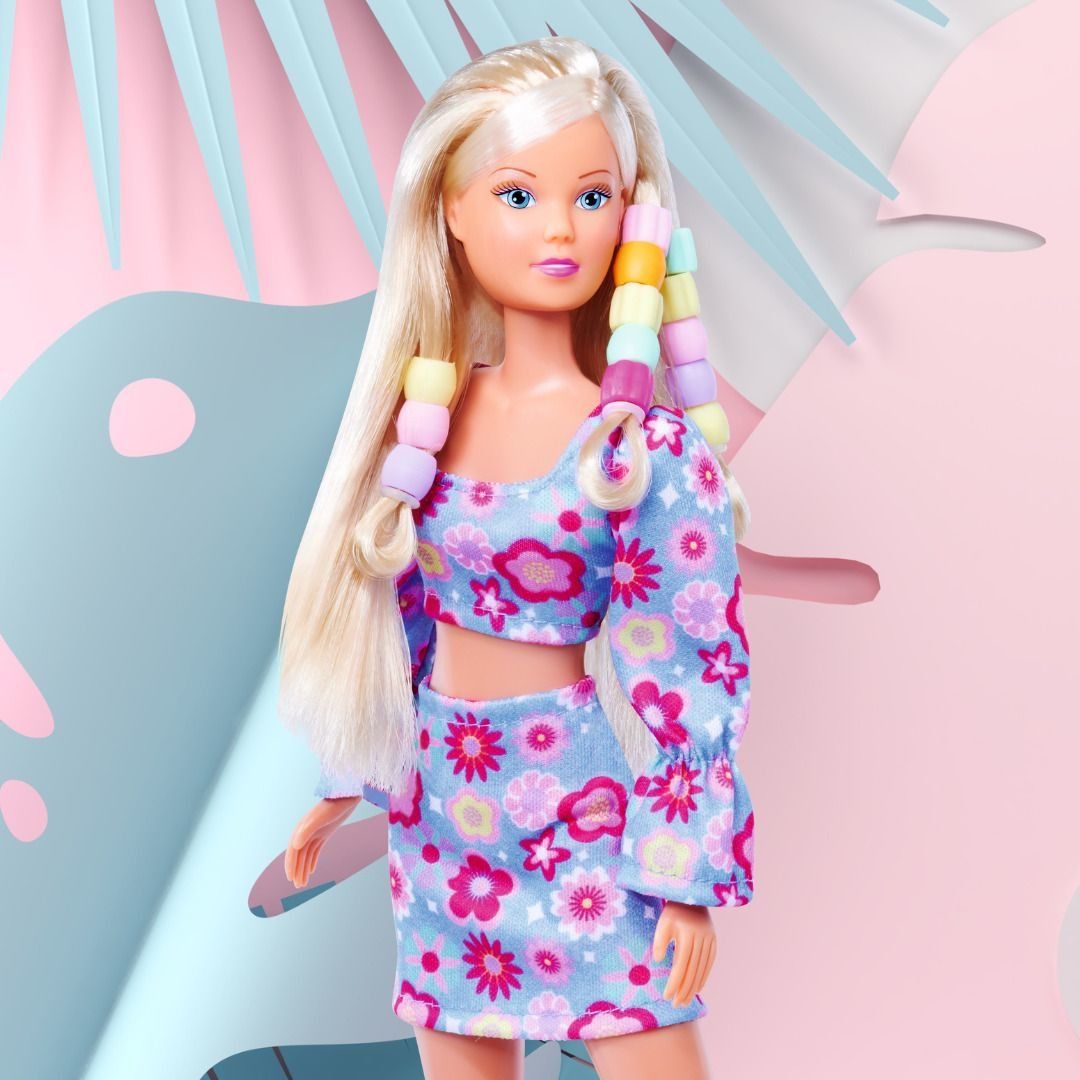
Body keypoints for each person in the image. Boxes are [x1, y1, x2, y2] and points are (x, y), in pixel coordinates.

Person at [278, 36, 753, 1080]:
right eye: (518, 195)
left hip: (581, 804)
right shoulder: (423, 423)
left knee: (649, 1043)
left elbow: (688, 664)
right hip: (441, 800)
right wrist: (348, 776)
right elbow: (396, 614)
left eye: (593, 197)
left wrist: (683, 875)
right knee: (457, 1049)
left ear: (632, 221)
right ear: (450, 210)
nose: (560, 230)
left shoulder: (639, 453)